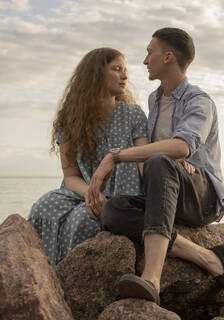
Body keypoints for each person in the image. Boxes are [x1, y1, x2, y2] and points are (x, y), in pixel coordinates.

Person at [87, 27, 224, 313]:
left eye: (150, 52)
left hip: (203, 197)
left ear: (168, 57)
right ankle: (210, 258)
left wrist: (115, 157)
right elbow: (163, 154)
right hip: (168, 192)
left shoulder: (199, 101)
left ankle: (152, 279)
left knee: (160, 160)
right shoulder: (154, 100)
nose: (145, 60)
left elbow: (182, 147)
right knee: (113, 211)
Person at [28, 48, 148, 266]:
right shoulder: (71, 120)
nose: (125, 76)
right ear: (96, 74)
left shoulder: (133, 114)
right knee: (42, 208)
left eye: (125, 70)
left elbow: (144, 162)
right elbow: (71, 175)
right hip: (80, 192)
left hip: (122, 194)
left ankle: (69, 278)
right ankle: (42, 273)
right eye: (116, 69)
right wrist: (91, 194)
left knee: (83, 220)